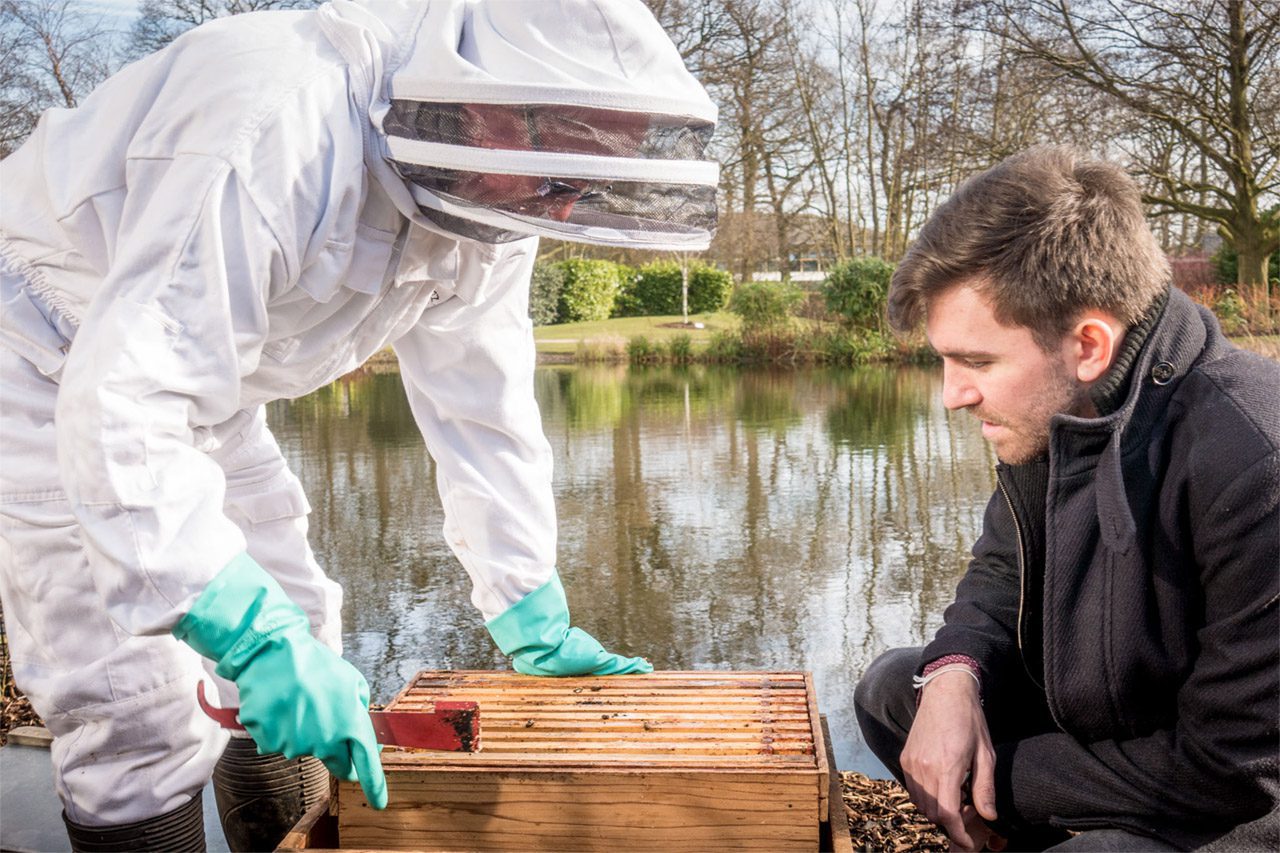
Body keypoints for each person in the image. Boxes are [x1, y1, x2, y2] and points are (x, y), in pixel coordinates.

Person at [0, 0, 720, 850]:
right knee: (138, 711)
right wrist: (244, 634)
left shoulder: (495, 197)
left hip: (204, 384)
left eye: (583, 185)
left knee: (300, 623)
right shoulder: (275, 123)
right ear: (487, 109)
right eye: (557, 181)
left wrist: (528, 605)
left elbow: (482, 403)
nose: (562, 210)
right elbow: (123, 399)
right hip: (44, 352)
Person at [854, 146, 1278, 852]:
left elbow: (1231, 775)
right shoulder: (1058, 407)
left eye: (977, 361)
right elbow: (999, 568)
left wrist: (993, 779)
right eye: (945, 359)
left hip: (1234, 803)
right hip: (1115, 726)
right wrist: (954, 676)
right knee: (898, 687)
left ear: (1088, 344)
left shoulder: (1253, 458)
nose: (951, 394)